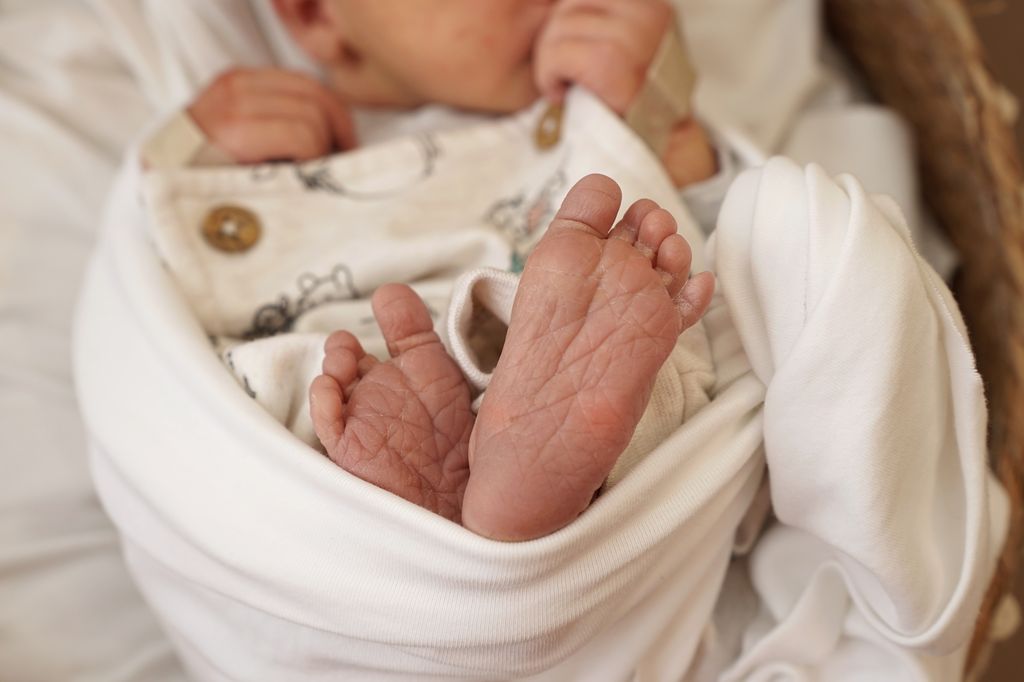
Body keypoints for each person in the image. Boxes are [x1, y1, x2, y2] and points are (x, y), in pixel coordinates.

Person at [154, 0, 725, 541]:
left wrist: (662, 111)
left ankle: (516, 466)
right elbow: (151, 302)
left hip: (540, 354)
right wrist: (188, 159)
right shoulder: (262, 145)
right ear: (315, 13)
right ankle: (459, 482)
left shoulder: (596, 104)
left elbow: (726, 242)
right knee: (279, 382)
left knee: (648, 333)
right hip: (356, 399)